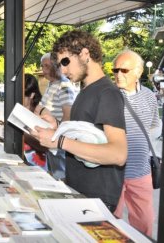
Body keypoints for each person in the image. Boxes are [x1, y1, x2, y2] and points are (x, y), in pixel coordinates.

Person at [32, 30, 127, 212]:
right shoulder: (86, 91)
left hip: (97, 200)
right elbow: (86, 135)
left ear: (85, 54)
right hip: (80, 193)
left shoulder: (107, 93)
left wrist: (59, 140)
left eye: (66, 62)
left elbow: (118, 154)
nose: (63, 70)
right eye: (60, 65)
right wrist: (56, 126)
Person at [112, 50, 161, 236]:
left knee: (145, 221)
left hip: (140, 171)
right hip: (114, 171)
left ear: (138, 72)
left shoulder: (149, 96)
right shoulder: (109, 95)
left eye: (124, 70)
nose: (118, 74)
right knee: (110, 223)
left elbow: (155, 124)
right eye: (115, 70)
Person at [40, 52, 75, 178]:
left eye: (47, 66)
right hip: (51, 139)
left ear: (56, 66)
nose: (43, 70)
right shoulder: (52, 84)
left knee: (59, 176)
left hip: (57, 141)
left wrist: (57, 137)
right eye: (42, 66)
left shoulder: (64, 85)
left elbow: (68, 114)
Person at [22, 74, 58, 169]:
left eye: (22, 96)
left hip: (36, 165)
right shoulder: (18, 109)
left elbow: (46, 146)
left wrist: (21, 134)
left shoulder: (42, 113)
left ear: (32, 95)